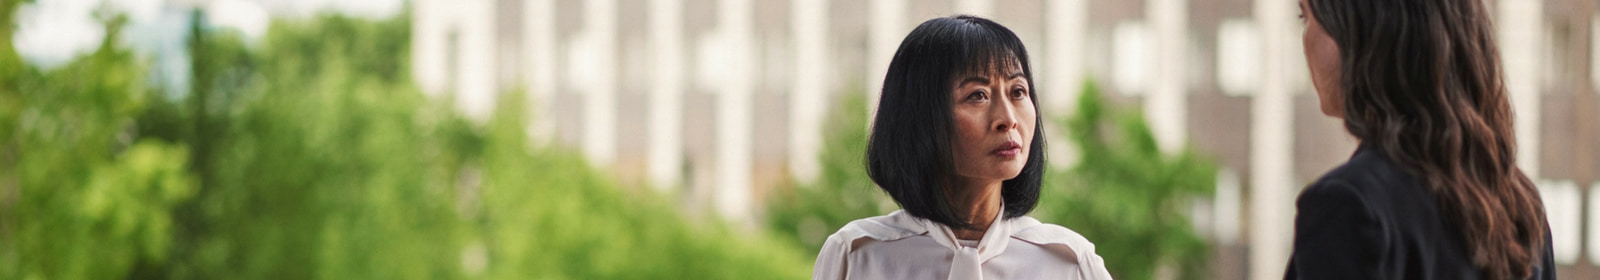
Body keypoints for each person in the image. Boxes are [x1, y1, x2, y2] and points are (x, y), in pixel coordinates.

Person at [811, 15, 1112, 280]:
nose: (1008, 119)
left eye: (1018, 91)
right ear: (920, 117)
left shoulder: (1068, 263)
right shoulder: (855, 256)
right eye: (977, 95)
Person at [1284, 0, 1556, 279]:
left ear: (1360, 31)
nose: (1303, 41)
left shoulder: (1347, 205)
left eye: (1305, 17)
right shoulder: (1519, 206)